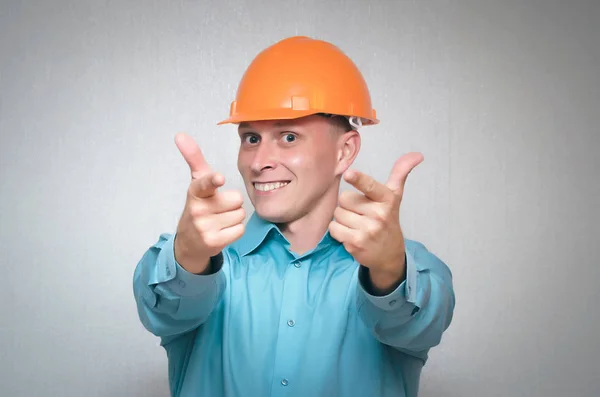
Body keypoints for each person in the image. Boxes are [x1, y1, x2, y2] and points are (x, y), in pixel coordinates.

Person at [133, 36, 455, 397]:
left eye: (288, 136)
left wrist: (389, 273)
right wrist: (190, 257)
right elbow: (161, 309)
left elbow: (420, 324)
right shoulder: (201, 262)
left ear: (344, 151)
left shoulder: (411, 270)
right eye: (251, 138)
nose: (258, 162)